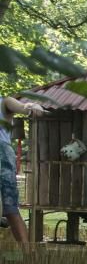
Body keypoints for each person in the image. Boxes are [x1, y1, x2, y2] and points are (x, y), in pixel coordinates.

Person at [1, 96, 45, 242]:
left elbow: (23, 107)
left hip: (2, 156)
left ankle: (28, 257)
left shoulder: (5, 101)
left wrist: (32, 107)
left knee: (11, 208)